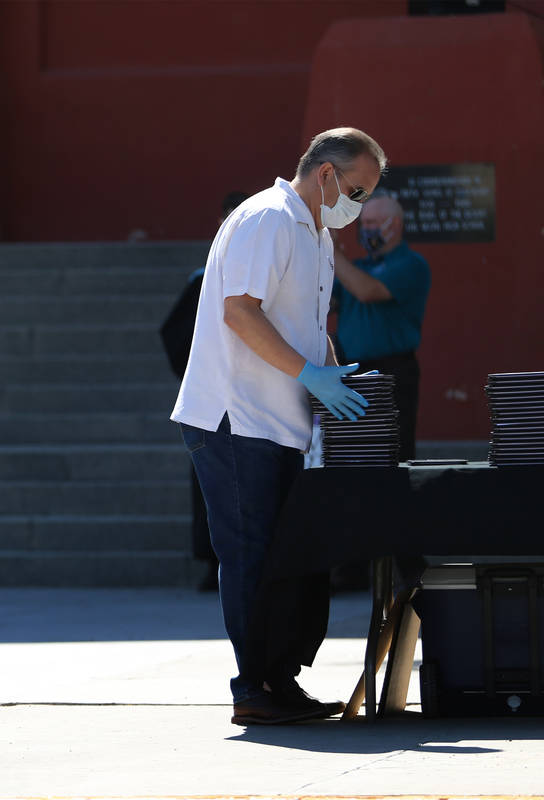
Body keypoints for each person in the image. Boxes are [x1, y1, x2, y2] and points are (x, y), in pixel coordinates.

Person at [171, 127, 386, 726]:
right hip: (235, 417)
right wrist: (311, 376)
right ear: (325, 174)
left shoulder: (314, 232)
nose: (358, 204)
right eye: (357, 189)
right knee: (252, 557)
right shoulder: (267, 217)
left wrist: (334, 373)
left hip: (282, 421)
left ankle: (278, 679)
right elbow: (239, 311)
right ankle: (253, 687)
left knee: (288, 556)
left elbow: (304, 326)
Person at [160, 191, 247, 592]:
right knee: (210, 477)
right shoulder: (203, 280)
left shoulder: (263, 270)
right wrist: (199, 372)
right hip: (213, 397)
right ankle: (212, 561)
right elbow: (173, 334)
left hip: (256, 394)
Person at [332, 191, 431, 461]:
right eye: (364, 224)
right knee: (351, 452)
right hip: (350, 372)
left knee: (391, 451)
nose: (367, 230)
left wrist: (334, 253)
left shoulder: (412, 264)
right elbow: (326, 302)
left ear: (395, 224)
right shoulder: (358, 266)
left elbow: (367, 291)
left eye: (374, 222)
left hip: (392, 373)